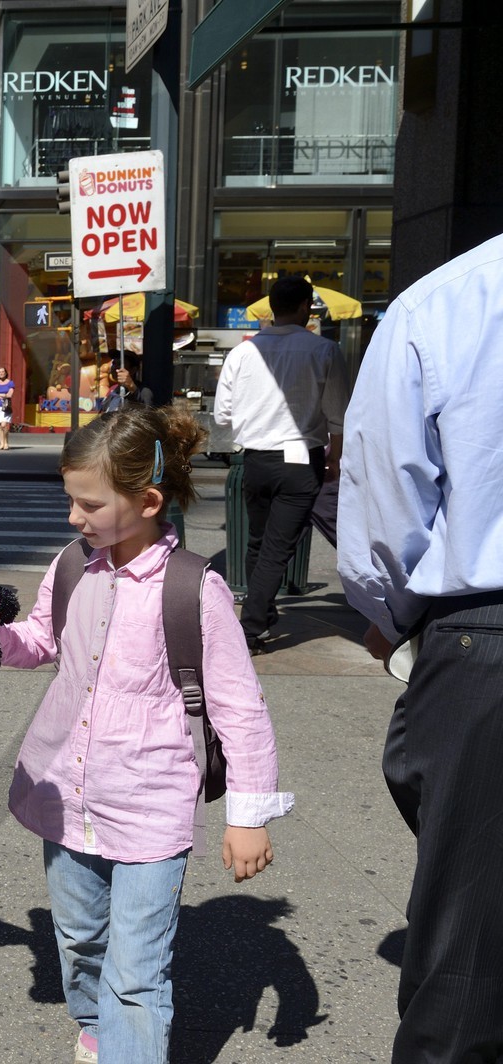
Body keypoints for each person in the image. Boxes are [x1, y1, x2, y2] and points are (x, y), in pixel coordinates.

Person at [0, 404, 292, 1064]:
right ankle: (95, 1022)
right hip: (66, 794)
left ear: (148, 500)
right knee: (78, 938)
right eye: (72, 501)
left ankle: (128, 1043)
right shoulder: (73, 565)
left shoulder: (193, 588)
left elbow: (240, 708)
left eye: (89, 505)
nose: (75, 518)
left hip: (151, 802)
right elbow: (41, 639)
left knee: (137, 970)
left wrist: (249, 816)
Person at [337, 233, 503, 1064]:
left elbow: (385, 486)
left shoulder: (452, 300)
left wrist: (391, 612)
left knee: (467, 977)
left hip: (486, 632)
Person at [213, 276, 348, 652]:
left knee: (259, 542)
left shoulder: (242, 352)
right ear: (307, 306)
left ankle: (263, 615)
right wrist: (335, 458)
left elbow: (223, 415)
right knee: (276, 548)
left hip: (254, 459)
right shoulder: (324, 349)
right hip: (301, 458)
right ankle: (251, 628)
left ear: (272, 307)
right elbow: (338, 415)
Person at [0, 366, 15, 451]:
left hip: (6, 407)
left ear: (6, 373)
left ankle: (6, 442)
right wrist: (4, 395)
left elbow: (10, 395)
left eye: (2, 372)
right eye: (0, 372)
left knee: (4, 425)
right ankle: (2, 443)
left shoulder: (10, 383)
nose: (1, 373)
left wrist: (0, 395)